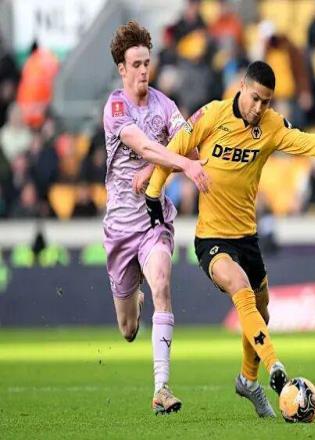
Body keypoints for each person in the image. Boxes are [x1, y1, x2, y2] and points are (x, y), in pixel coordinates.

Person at [144, 61, 315, 417]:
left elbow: (304, 142)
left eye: (266, 101)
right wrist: (153, 195)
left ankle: (247, 380)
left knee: (261, 311)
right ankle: (275, 367)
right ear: (241, 87)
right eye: (255, 98)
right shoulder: (212, 115)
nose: (259, 107)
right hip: (212, 239)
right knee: (241, 289)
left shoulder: (270, 125)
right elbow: (173, 150)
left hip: (247, 239)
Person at [103, 21, 208, 415]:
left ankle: (161, 388)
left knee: (162, 282)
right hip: (119, 227)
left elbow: (188, 144)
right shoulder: (116, 107)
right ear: (122, 69)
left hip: (152, 220)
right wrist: (178, 162)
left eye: (147, 62)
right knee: (128, 329)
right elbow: (145, 145)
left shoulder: (165, 105)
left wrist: (160, 168)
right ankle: (135, 298)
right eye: (136, 64)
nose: (144, 70)